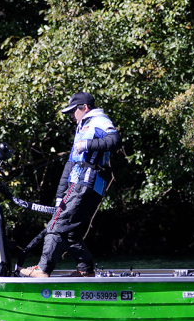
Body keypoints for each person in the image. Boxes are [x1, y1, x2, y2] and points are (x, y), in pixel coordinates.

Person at [20, 92, 122, 277]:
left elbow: (114, 141)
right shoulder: (82, 126)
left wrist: (87, 145)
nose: (71, 116)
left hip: (87, 182)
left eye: (73, 112)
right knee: (70, 231)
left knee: (56, 224)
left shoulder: (99, 119)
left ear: (84, 108)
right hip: (81, 183)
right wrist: (60, 195)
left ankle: (43, 270)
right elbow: (70, 164)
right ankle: (85, 270)